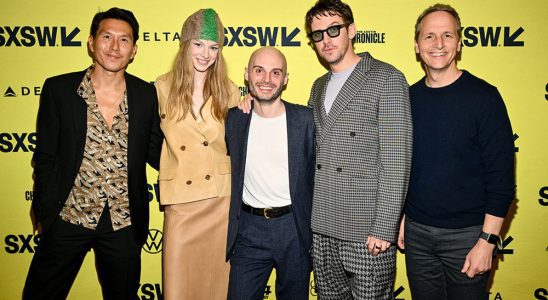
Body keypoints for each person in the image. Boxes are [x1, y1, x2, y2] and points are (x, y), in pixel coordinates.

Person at [23, 7, 163, 299]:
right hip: (67, 215)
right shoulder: (59, 89)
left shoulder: (146, 95)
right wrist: (46, 210)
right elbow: (45, 156)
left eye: (124, 40)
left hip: (123, 222)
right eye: (107, 37)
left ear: (134, 49)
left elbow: (158, 152)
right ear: (91, 42)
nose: (115, 47)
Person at [397, 4, 515, 300]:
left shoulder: (485, 98)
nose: (438, 44)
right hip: (417, 234)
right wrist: (400, 219)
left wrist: (487, 241)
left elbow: (501, 180)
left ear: (459, 43)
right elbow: (404, 167)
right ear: (416, 45)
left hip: (468, 237)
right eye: (429, 36)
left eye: (447, 35)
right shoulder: (406, 99)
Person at [305, 0, 412, 298]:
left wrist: (385, 226)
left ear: (351, 30)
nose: (326, 40)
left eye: (333, 29)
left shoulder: (386, 78)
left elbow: (396, 161)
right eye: (317, 34)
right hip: (322, 224)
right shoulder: (317, 86)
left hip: (366, 230)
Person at [154, 8, 240, 300]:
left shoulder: (229, 91)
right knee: (178, 288)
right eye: (199, 44)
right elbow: (151, 142)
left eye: (214, 47)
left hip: (221, 201)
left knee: (217, 287)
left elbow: (238, 143)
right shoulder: (161, 88)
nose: (206, 54)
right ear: (185, 44)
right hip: (181, 201)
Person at [225, 47, 315, 300]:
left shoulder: (305, 120)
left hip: (294, 229)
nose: (267, 79)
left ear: (285, 79)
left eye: (276, 72)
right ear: (246, 75)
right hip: (248, 230)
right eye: (259, 70)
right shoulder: (234, 120)